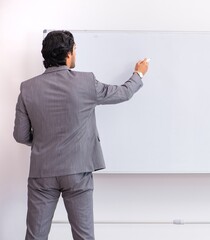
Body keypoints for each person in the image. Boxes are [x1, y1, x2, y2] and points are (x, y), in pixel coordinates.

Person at [13, 30, 149, 240]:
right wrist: (138, 74)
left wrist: (42, 141)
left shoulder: (27, 88)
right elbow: (123, 93)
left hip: (42, 172)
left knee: (35, 236)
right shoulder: (86, 83)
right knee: (84, 236)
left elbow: (21, 136)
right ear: (68, 54)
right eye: (75, 49)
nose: (76, 53)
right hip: (78, 172)